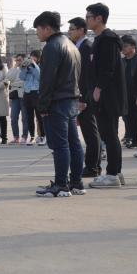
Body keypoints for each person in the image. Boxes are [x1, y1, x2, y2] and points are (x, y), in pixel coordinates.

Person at [32, 11, 85, 197]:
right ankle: (76, 182)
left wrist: (43, 106)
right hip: (71, 100)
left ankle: (61, 185)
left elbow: (47, 80)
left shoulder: (52, 47)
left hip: (57, 102)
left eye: (38, 29)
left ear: (47, 28)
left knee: (60, 145)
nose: (37, 33)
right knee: (73, 143)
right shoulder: (71, 45)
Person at [84, 3, 126, 188]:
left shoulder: (108, 39)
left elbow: (108, 69)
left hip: (108, 95)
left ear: (99, 18)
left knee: (109, 135)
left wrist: (98, 88)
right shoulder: (100, 39)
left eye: (88, 17)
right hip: (104, 93)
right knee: (109, 134)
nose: (86, 20)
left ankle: (112, 175)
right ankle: (115, 172)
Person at [68, 17, 101, 177]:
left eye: (72, 29)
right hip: (80, 95)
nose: (69, 32)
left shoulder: (86, 47)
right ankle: (92, 165)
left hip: (85, 97)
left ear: (81, 30)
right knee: (88, 133)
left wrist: (83, 99)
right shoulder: (78, 46)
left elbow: (87, 76)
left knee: (90, 132)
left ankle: (92, 167)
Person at [121, 35, 137, 149]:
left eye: (125, 46)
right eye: (122, 47)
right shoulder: (122, 61)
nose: (123, 49)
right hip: (126, 95)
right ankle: (135, 141)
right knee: (129, 119)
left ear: (133, 46)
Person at [8, 54, 25, 144]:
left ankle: (24, 136)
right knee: (13, 117)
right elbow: (9, 78)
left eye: (20, 60)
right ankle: (16, 137)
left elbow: (24, 81)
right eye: (17, 60)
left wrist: (16, 84)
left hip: (24, 95)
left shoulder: (27, 69)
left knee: (24, 118)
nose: (18, 61)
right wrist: (15, 67)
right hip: (15, 95)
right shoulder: (14, 69)